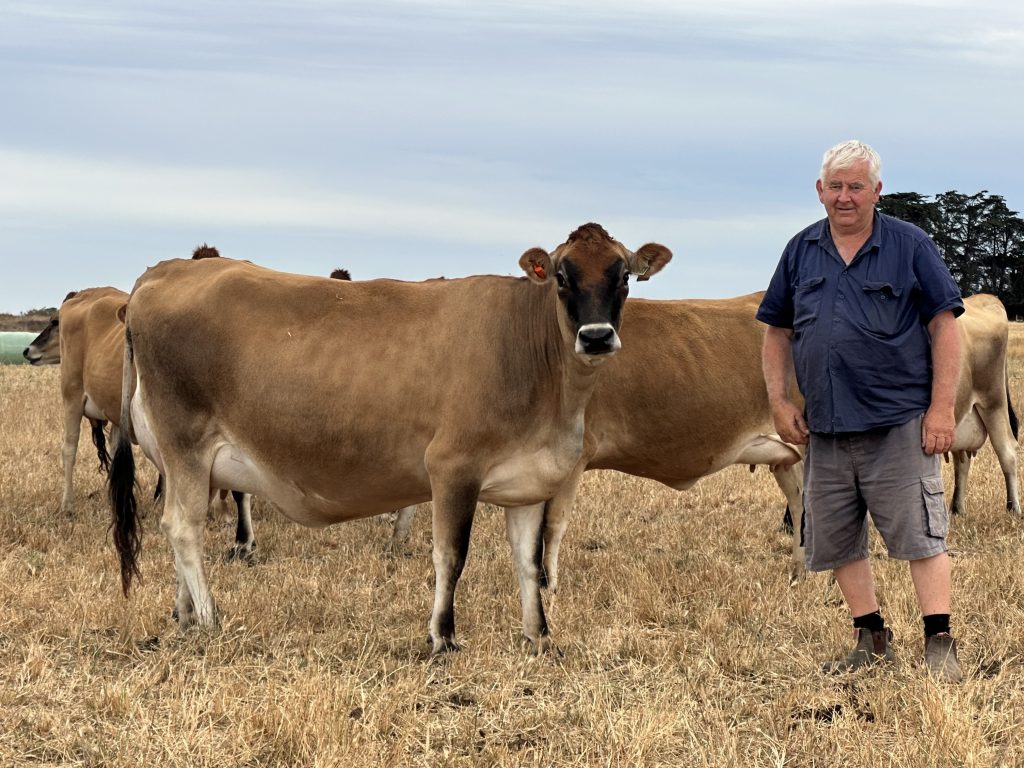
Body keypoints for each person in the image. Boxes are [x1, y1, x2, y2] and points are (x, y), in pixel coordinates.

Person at [757, 140, 965, 682]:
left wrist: (941, 408)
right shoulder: (801, 250)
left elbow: (945, 325)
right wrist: (779, 401)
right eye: (836, 186)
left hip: (898, 420)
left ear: (877, 191)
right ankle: (870, 636)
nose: (844, 197)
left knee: (921, 533)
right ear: (819, 190)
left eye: (856, 186)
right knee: (836, 536)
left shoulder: (909, 244)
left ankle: (939, 640)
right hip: (824, 424)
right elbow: (777, 331)